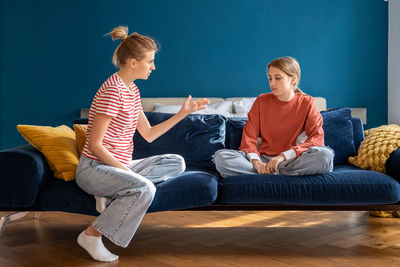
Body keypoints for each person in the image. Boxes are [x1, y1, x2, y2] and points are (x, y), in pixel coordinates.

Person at [75, 26, 209, 262]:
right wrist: (126, 172)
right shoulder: (112, 91)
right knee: (146, 188)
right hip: (93, 169)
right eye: (150, 61)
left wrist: (182, 113)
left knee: (176, 163)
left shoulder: (132, 90)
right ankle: (91, 235)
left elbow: (148, 133)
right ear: (132, 62)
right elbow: (95, 145)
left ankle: (113, 190)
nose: (153, 67)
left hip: (117, 166)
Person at [213, 56, 334, 177]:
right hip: (264, 160)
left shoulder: (307, 103)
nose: (272, 83)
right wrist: (257, 162)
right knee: (221, 157)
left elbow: (317, 139)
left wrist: (282, 157)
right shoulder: (261, 101)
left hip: (294, 160)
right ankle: (273, 172)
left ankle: (273, 173)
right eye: (270, 78)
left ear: (293, 79)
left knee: (325, 156)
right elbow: (249, 138)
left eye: (278, 78)